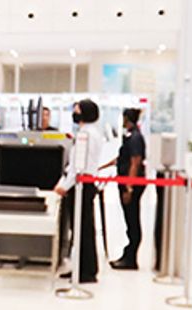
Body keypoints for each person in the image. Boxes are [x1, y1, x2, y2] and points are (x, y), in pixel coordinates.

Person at [55, 98, 111, 284]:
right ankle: (82, 268)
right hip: (85, 184)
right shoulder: (93, 133)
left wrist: (64, 185)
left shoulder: (85, 135)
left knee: (82, 230)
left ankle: (86, 271)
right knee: (83, 229)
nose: (75, 112)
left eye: (77, 109)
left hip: (81, 186)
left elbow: (78, 166)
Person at [110, 107, 147, 270]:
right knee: (129, 219)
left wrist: (129, 188)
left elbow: (135, 162)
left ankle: (131, 258)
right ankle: (127, 254)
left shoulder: (135, 138)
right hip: (125, 181)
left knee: (132, 220)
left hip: (131, 184)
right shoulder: (130, 136)